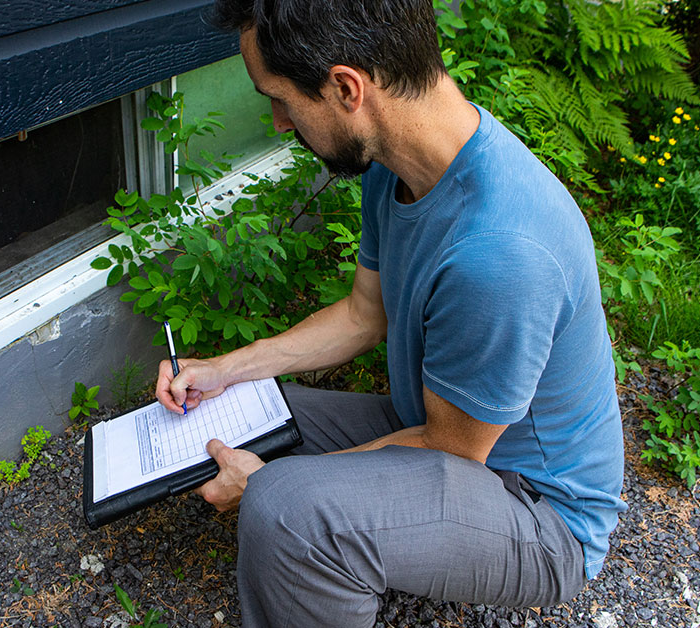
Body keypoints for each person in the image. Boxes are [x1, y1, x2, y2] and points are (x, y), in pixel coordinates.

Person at [153, 1, 627, 625]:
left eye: (281, 99)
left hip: (536, 515)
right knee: (245, 410)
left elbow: (452, 450)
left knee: (286, 508)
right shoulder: (397, 167)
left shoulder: (500, 253)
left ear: (346, 88)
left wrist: (265, 483)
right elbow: (361, 315)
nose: (276, 122)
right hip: (438, 429)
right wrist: (223, 368)